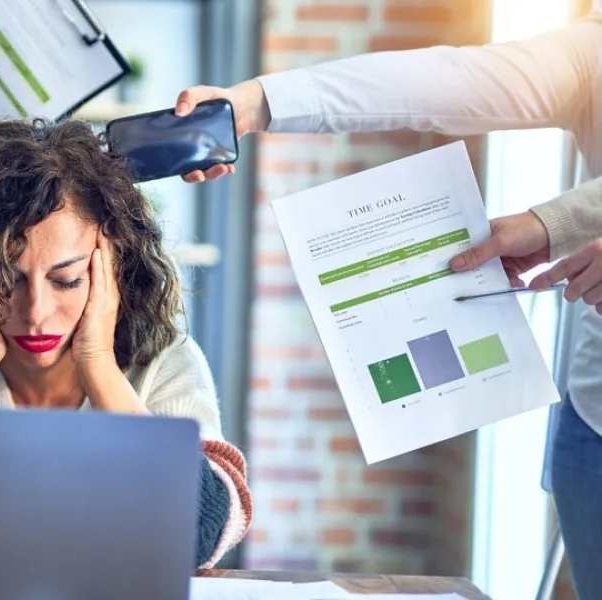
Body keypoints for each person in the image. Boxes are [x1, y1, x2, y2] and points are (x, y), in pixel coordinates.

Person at [173, 10, 602, 596]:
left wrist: (555, 222)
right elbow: (446, 80)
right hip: (594, 413)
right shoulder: (591, 46)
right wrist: (257, 101)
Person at [0, 118, 252, 568]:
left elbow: (198, 533)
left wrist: (99, 365)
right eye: (5, 280)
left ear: (112, 270)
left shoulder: (163, 361)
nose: (36, 312)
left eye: (66, 280)